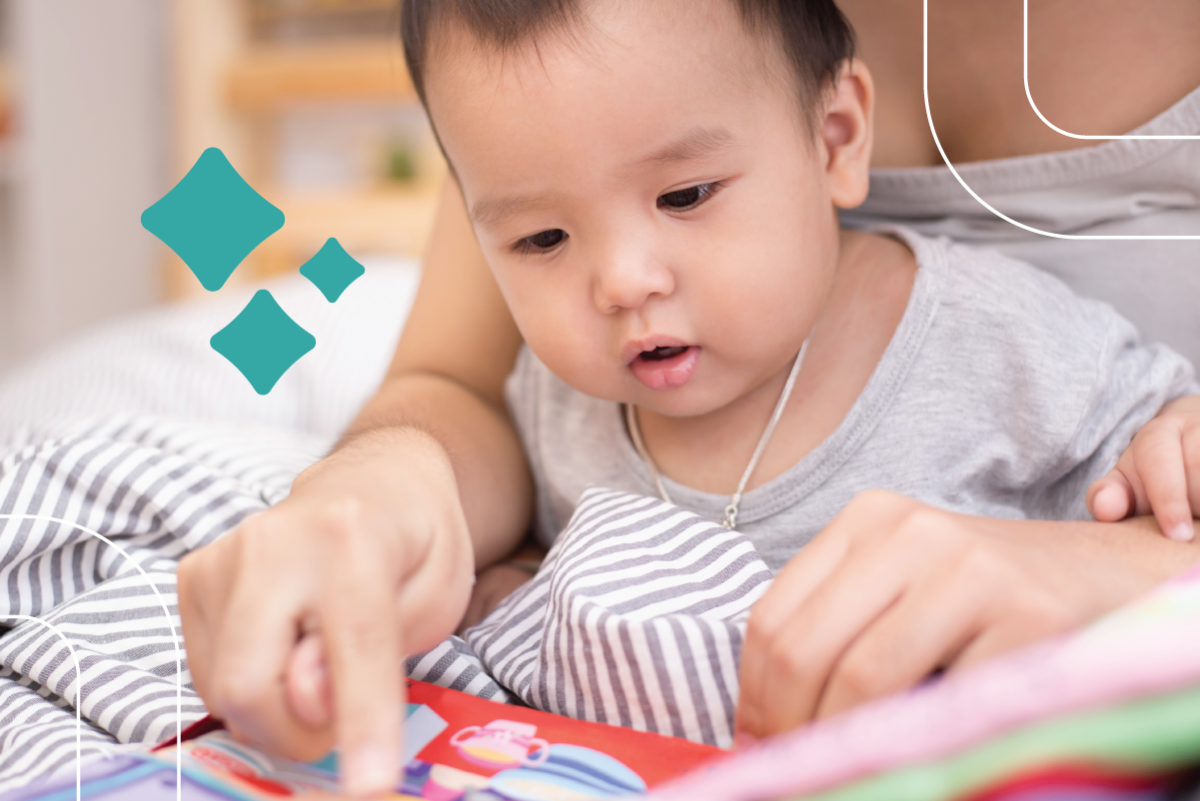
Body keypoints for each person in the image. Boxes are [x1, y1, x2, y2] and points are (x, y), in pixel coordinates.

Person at [176, 0, 1200, 795]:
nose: (622, 280)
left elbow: (1161, 444)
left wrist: (1133, 549)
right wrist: (372, 500)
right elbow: (454, 393)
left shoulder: (1007, 336)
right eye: (540, 241)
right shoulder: (568, 380)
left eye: (685, 197)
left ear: (836, 136)